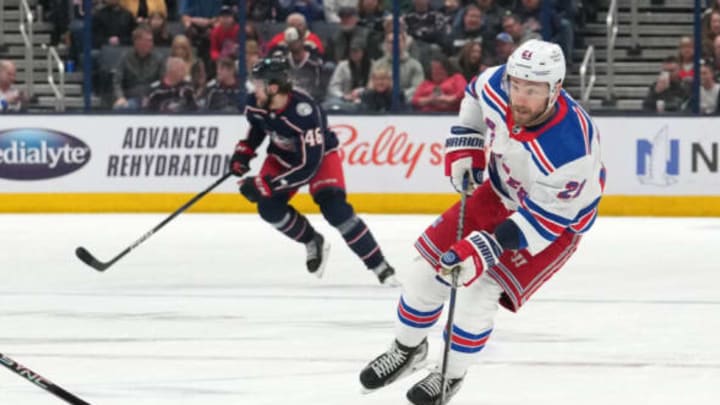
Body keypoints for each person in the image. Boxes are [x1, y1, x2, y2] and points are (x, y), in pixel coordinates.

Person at [358, 39, 606, 405]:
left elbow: (545, 218)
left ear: (555, 90)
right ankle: (408, 349)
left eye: (532, 90)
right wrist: (468, 142)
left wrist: (487, 247)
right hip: (499, 191)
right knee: (424, 274)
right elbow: (473, 96)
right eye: (516, 85)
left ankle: (450, 374)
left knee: (477, 292)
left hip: (552, 226)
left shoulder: (573, 148)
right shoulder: (497, 83)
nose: (519, 97)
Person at [229, 56, 398, 286]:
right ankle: (312, 240)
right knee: (268, 208)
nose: (254, 89)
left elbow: (308, 166)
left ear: (274, 87)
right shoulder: (255, 102)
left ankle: (381, 267)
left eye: (259, 84)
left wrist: (266, 184)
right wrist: (244, 152)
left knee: (336, 210)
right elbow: (259, 126)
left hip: (319, 158)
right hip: (282, 157)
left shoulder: (305, 113)